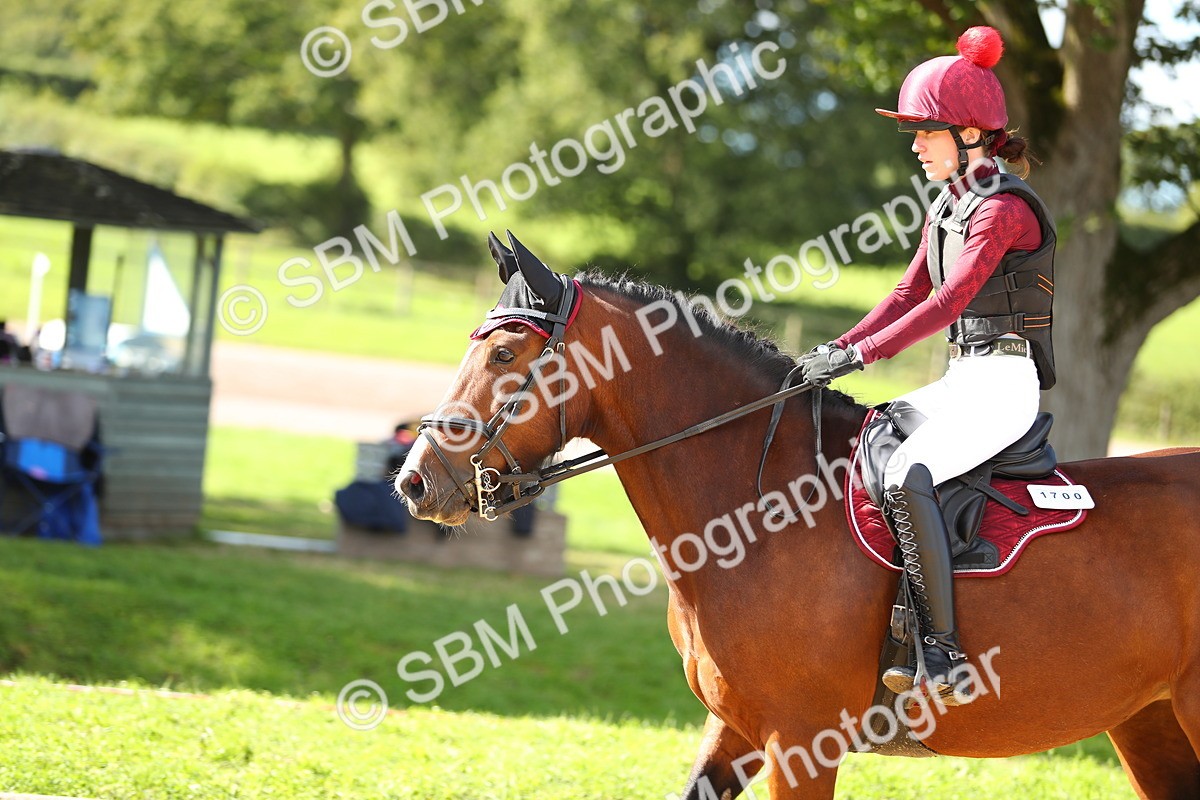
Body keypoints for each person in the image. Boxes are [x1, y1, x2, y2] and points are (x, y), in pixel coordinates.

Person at [801, 26, 1056, 705]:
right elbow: (906, 293)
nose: (915, 145)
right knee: (872, 440)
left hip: (1004, 387)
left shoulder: (1002, 209)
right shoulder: (950, 203)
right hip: (962, 381)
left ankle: (943, 651)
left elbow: (949, 302)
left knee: (910, 472)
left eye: (925, 132)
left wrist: (864, 354)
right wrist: (835, 349)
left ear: (970, 133)